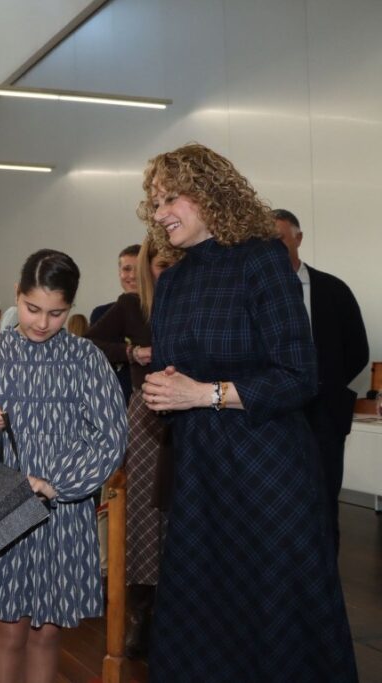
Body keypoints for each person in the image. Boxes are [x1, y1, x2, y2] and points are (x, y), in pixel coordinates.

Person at [139, 144, 356, 682]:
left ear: (209, 194)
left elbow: (299, 375)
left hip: (268, 475)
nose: (160, 212)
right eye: (154, 202)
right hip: (201, 477)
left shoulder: (260, 258)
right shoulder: (174, 280)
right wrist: (166, 391)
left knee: (275, 621)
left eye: (171, 198)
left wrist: (204, 393)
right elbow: (175, 371)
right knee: (204, 619)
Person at [0, 249, 126, 683]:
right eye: (32, 308)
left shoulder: (87, 359)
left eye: (56, 313)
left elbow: (110, 438)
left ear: (70, 308)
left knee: (47, 634)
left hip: (61, 514)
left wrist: (56, 483)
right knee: (8, 631)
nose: (42, 322)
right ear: (16, 295)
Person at [85, 236, 177, 659]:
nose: (166, 270)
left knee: (181, 510)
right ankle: (140, 613)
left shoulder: (193, 299)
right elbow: (87, 345)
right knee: (141, 514)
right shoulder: (129, 306)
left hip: (194, 417)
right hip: (146, 420)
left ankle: (181, 610)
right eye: (159, 265)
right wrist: (132, 352)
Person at [273, 208, 369, 555]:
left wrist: (322, 385)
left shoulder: (333, 290)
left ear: (298, 239)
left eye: (280, 239)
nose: (273, 248)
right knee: (279, 502)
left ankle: (326, 574)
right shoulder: (257, 294)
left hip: (324, 414)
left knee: (325, 498)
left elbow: (358, 349)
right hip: (274, 415)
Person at [90, 244, 141, 406]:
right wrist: (131, 353)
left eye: (139, 269)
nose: (132, 275)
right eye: (126, 269)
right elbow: (94, 353)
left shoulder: (161, 311)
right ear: (119, 273)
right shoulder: (101, 313)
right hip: (111, 399)